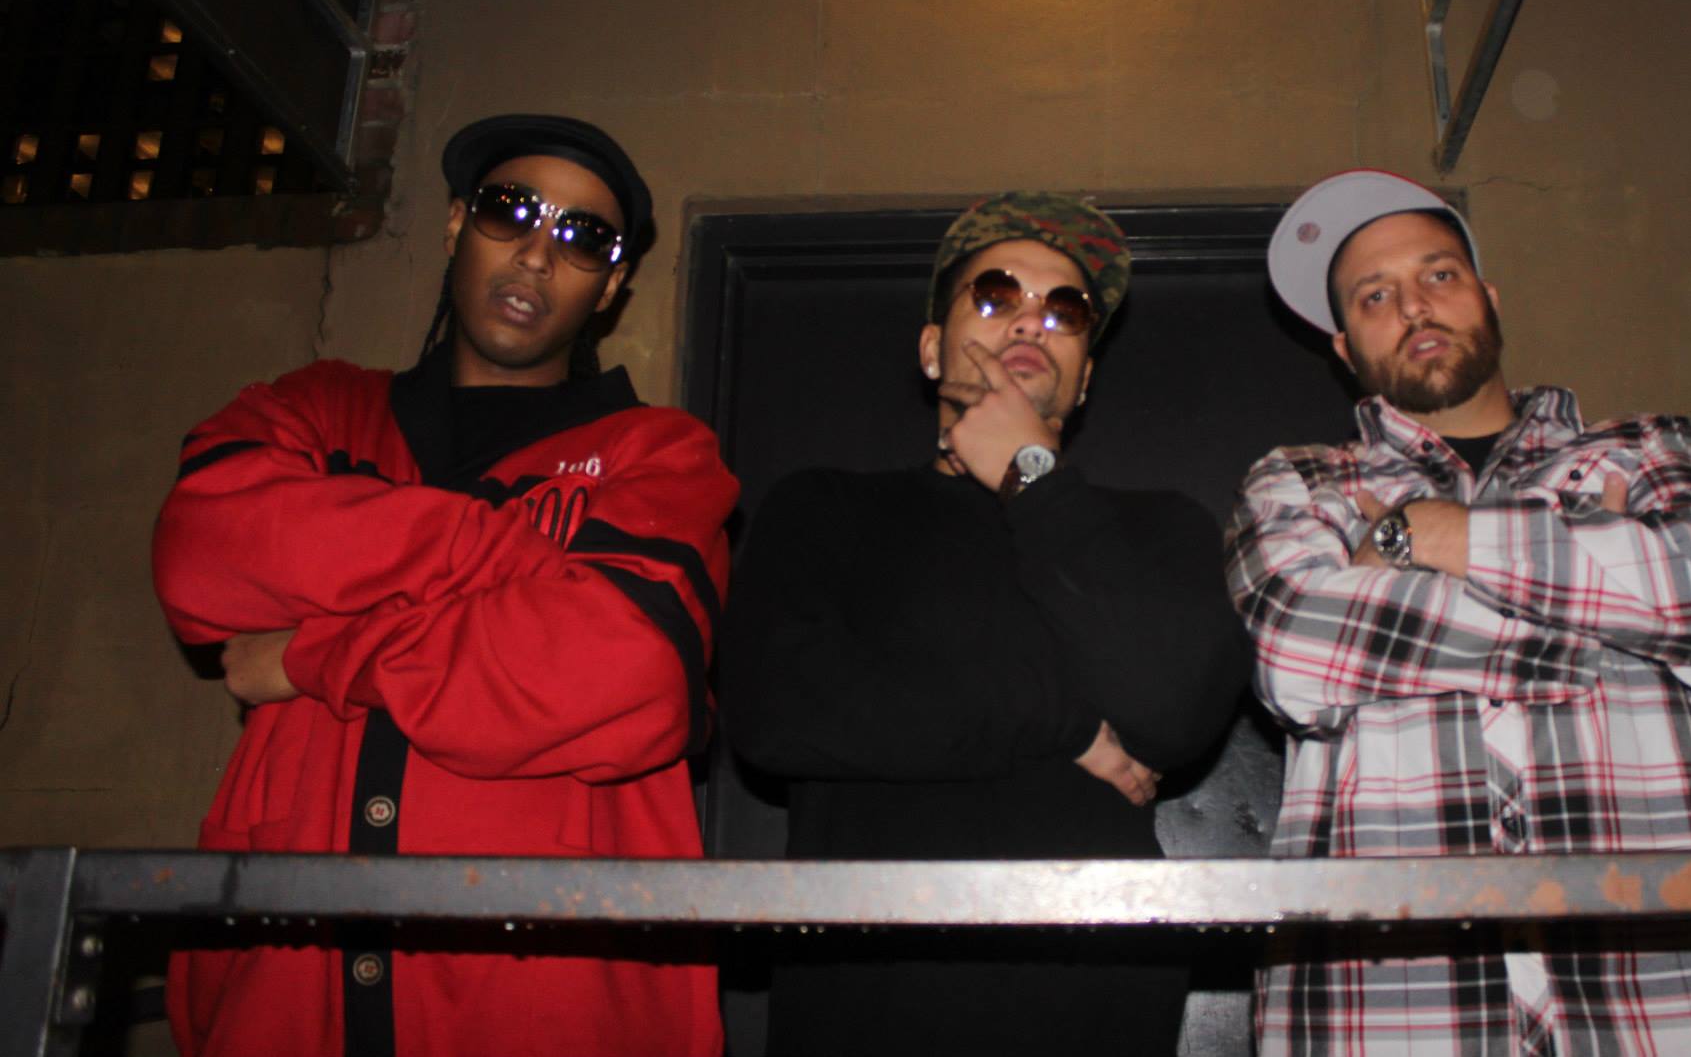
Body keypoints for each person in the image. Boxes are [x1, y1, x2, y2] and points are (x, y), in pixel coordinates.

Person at [152, 115, 738, 1057]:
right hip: (285, 992)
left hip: (549, 1003)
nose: (538, 253)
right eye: (511, 210)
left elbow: (629, 671)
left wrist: (316, 653)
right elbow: (201, 554)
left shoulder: (657, 454)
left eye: (584, 236)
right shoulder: (318, 410)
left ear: (611, 285)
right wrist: (509, 556)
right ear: (457, 223)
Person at [1226, 169, 1691, 1054]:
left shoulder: (1645, 445)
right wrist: (1604, 606)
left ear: (1488, 297)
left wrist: (1426, 535)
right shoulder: (1301, 480)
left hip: (1660, 972)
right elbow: (1296, 654)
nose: (1414, 306)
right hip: (1385, 987)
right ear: (1343, 346)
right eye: (1376, 295)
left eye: (1438, 274)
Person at [719, 191, 1250, 1056]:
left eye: (1065, 311)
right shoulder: (825, 509)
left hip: (1094, 1005)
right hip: (862, 1005)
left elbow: (1174, 716)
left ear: (1085, 377)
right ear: (933, 349)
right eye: (997, 296)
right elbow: (777, 713)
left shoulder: (1159, 528)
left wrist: (1030, 476)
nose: (1032, 322)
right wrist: (1066, 721)